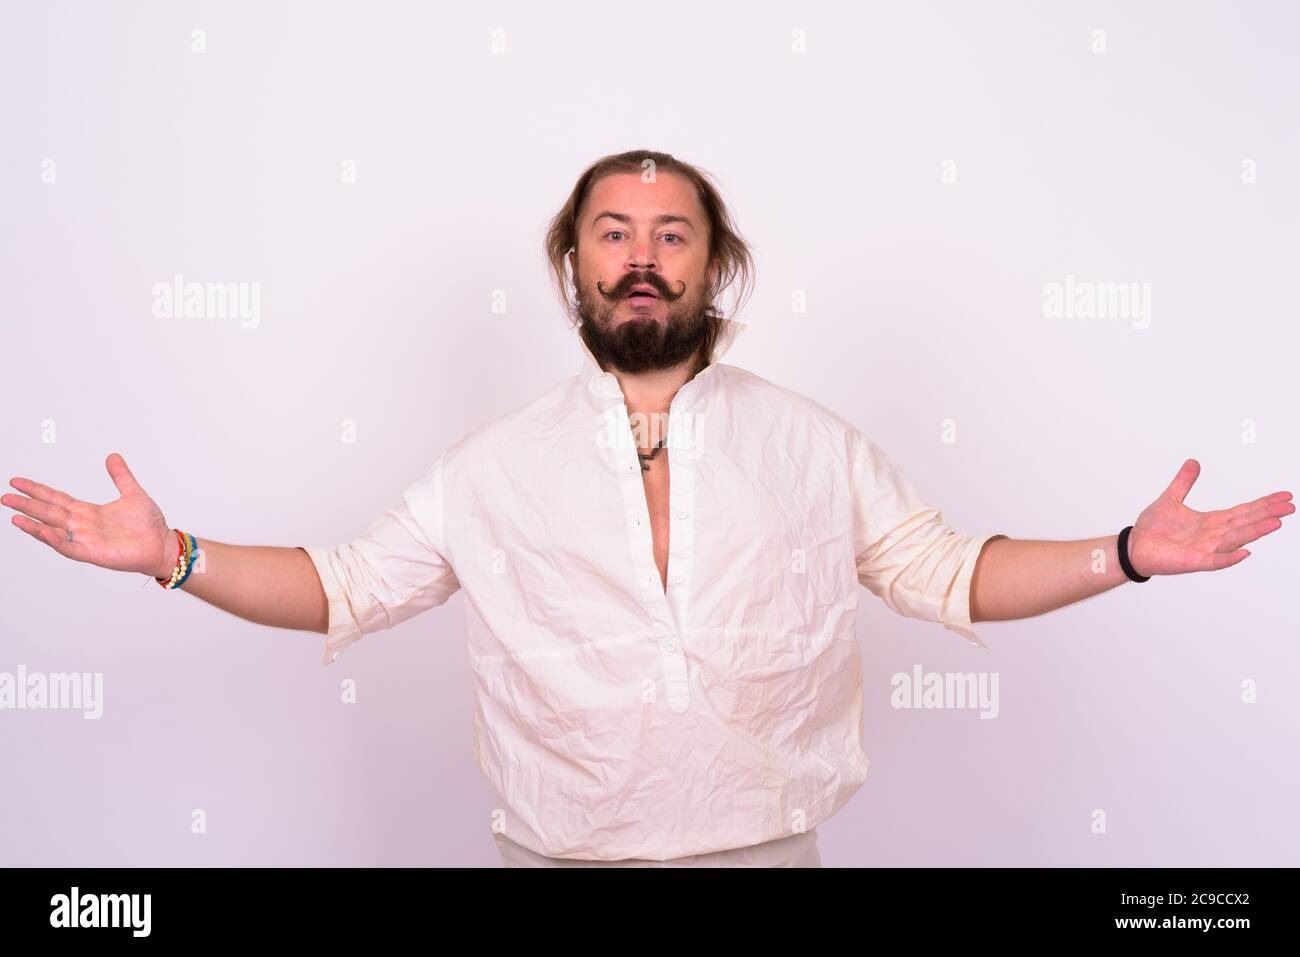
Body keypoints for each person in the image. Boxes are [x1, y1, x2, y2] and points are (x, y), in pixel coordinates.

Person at [4, 150, 1293, 868]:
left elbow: (949, 574)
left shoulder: (806, 441)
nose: (641, 255)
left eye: (672, 233)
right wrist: (168, 554)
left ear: (713, 265)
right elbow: (342, 588)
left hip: (766, 854)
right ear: (574, 264)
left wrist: (1124, 554)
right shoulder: (494, 462)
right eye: (613, 231)